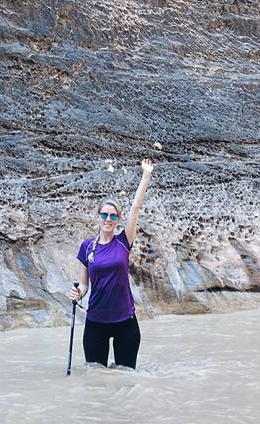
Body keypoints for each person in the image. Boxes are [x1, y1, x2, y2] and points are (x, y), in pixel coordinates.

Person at [71, 158, 153, 369]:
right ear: (97, 218)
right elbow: (85, 284)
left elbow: (136, 208)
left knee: (125, 380)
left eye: (113, 216)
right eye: (104, 215)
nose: (108, 219)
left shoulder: (124, 242)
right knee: (96, 381)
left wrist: (145, 176)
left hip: (125, 322)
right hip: (96, 322)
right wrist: (79, 293)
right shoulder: (87, 247)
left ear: (117, 219)